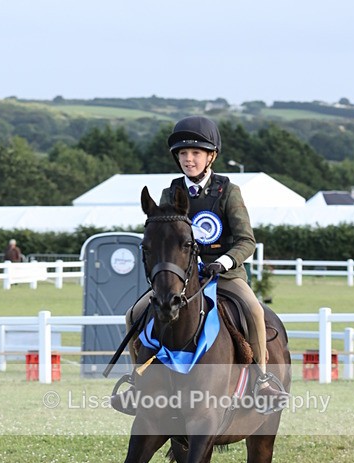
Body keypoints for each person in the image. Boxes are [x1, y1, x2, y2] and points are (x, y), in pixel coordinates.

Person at [111, 116, 280, 411]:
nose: (189, 160)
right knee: (133, 313)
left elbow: (246, 241)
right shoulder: (170, 192)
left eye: (196, 154)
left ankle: (262, 380)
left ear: (210, 156)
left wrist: (224, 262)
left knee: (253, 310)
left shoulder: (228, 191)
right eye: (183, 154)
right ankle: (138, 384)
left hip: (224, 274)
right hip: (182, 277)